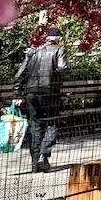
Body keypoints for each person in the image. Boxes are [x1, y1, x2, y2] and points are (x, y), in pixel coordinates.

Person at [14, 27, 68, 172]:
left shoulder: (33, 51)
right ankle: (45, 151)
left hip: (30, 92)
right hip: (49, 91)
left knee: (35, 125)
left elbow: (20, 73)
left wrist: (17, 94)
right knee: (52, 122)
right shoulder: (59, 50)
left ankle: (34, 161)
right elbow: (62, 67)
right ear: (58, 38)